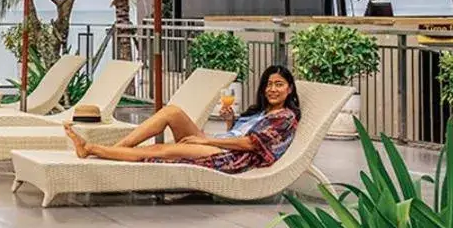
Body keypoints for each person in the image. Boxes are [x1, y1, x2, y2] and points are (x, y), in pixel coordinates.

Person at [63, 65, 301, 174]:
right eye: (269, 84)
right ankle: (113, 151)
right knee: (172, 111)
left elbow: (250, 144)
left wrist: (208, 142)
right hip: (218, 143)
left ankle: (92, 149)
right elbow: (238, 134)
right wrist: (229, 123)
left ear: (290, 89)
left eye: (279, 85)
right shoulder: (261, 111)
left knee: (160, 150)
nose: (272, 89)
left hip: (233, 156)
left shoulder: (285, 117)